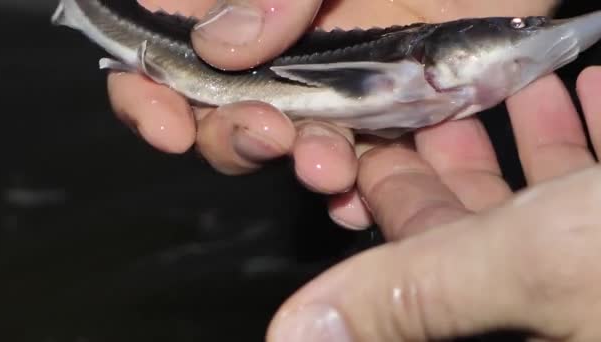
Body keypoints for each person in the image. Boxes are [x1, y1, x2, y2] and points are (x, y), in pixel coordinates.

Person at [109, 0, 601, 340]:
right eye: (518, 30)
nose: (525, 37)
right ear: (434, 55)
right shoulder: (414, 63)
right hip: (190, 53)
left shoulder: (437, 72)